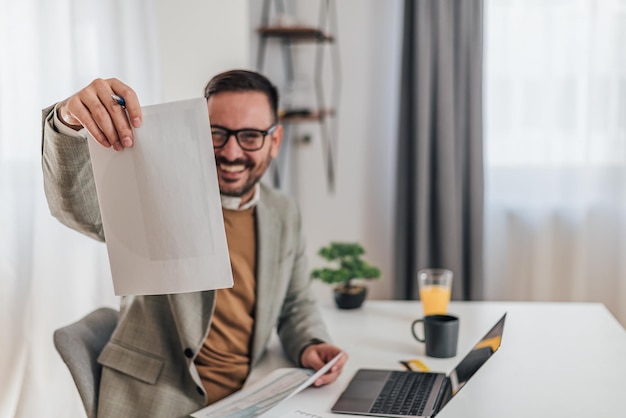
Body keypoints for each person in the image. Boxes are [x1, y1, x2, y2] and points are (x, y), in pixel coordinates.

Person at [41, 69, 347, 418]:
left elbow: (296, 303)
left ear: (274, 142)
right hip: (154, 400)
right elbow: (77, 211)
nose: (231, 153)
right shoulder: (159, 192)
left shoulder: (284, 212)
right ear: (198, 132)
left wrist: (311, 343)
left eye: (250, 136)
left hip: (251, 395)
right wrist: (67, 121)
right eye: (217, 134)